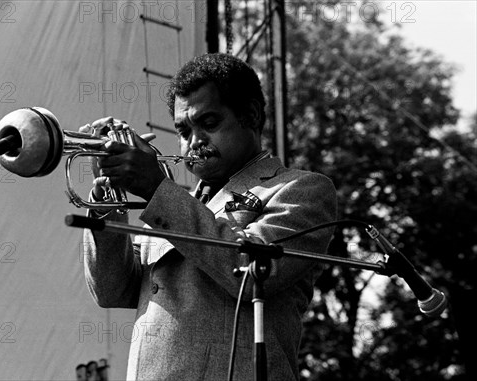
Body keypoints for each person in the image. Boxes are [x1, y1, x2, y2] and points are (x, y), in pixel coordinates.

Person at [81, 53, 337, 380]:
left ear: (251, 115)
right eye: (183, 130)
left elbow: (248, 275)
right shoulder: (171, 205)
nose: (194, 142)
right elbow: (112, 292)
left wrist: (156, 187)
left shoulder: (300, 189)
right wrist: (107, 208)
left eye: (209, 124)